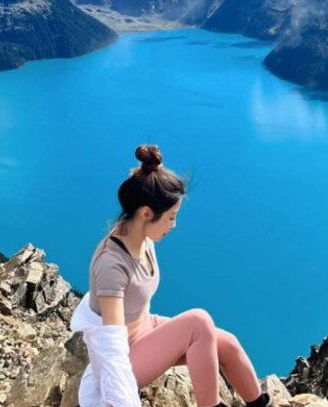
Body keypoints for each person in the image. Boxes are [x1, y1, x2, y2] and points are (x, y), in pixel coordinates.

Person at [69, 145, 271, 407]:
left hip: (144, 329)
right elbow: (112, 347)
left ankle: (261, 404)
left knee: (227, 344)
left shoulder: (141, 236)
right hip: (126, 357)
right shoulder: (112, 265)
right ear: (146, 213)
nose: (174, 225)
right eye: (171, 217)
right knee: (198, 322)